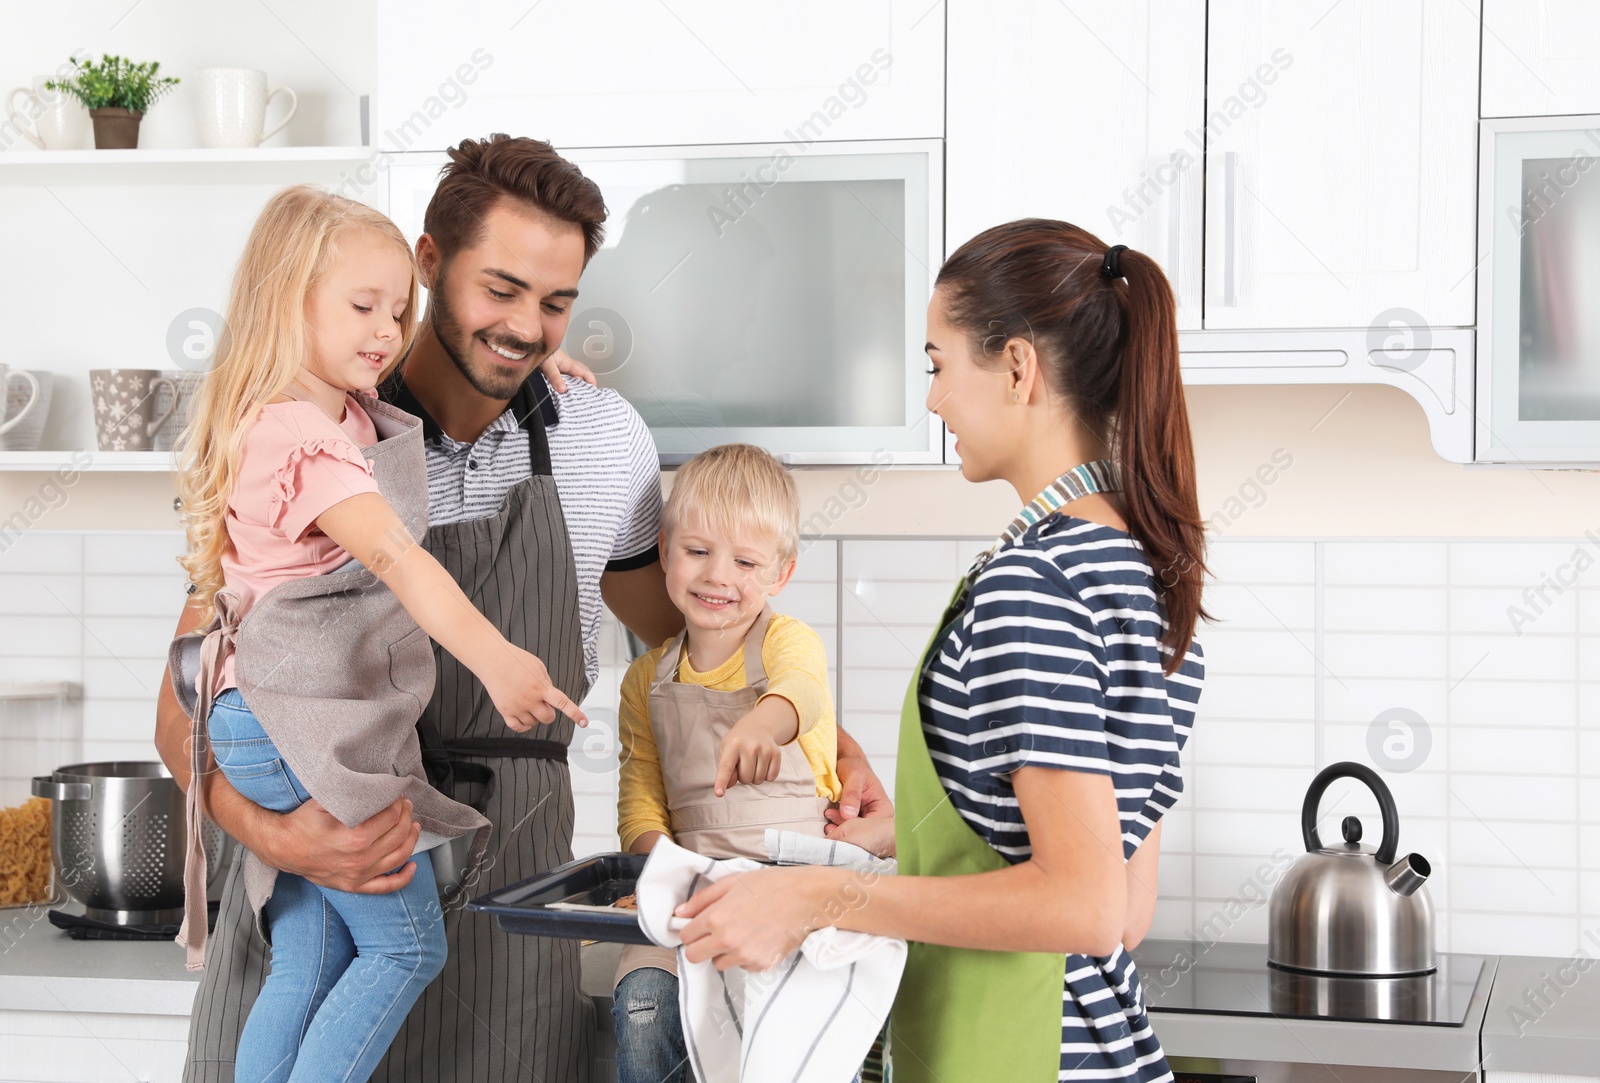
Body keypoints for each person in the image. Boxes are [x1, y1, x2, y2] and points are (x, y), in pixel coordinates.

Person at [154, 134, 893, 1083]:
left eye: (555, 303)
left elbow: (703, 641)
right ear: (426, 265)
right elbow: (190, 707)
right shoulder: (314, 423)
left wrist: (828, 744)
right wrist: (277, 835)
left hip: (508, 919)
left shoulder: (600, 442)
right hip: (320, 881)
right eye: (498, 291)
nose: (526, 328)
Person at [671, 222, 1209, 1082]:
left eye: (938, 364)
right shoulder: (1143, 565)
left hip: (1021, 1058)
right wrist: (914, 835)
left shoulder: (1036, 584)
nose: (933, 401)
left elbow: (1081, 901)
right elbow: (1123, 907)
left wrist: (812, 898)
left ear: (1020, 368)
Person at [168, 184, 587, 1083]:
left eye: (399, 311)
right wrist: (501, 660)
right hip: (301, 724)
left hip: (275, 717)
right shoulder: (300, 439)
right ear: (288, 302)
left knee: (312, 960)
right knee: (405, 952)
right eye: (363, 306)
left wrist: (538, 362)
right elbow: (399, 558)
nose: (386, 331)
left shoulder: (332, 412)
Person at [610, 444, 841, 1083]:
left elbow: (803, 688)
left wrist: (766, 723)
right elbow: (641, 792)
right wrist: (660, 870)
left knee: (795, 1039)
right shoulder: (644, 679)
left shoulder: (788, 642)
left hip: (794, 889)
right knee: (644, 1007)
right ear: (663, 550)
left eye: (745, 561)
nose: (718, 576)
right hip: (692, 895)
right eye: (697, 551)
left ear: (780, 573)